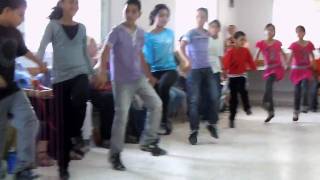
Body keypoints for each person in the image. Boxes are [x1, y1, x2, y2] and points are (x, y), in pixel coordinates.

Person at [95, 0, 167, 171]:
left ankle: (148, 142)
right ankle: (115, 154)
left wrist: (148, 75)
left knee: (156, 104)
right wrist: (103, 72)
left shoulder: (141, 33)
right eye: (127, 11)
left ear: (139, 14)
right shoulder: (116, 32)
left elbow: (140, 55)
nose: (130, 14)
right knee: (122, 117)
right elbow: (105, 51)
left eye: (134, 11)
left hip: (138, 78)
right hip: (121, 81)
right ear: (124, 12)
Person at [37, 0, 95, 178]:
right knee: (62, 125)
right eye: (71, 2)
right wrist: (38, 66)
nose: (74, 6)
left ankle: (76, 134)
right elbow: (41, 48)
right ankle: (64, 168)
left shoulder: (82, 27)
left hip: (80, 73)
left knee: (81, 96)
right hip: (60, 79)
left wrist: (93, 72)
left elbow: (85, 54)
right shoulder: (52, 26)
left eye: (76, 3)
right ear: (61, 4)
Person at [0, 0, 48, 179]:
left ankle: (23, 168)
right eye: (20, 14)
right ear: (6, 10)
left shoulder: (15, 33)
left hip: (12, 90)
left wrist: (39, 62)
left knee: (30, 120)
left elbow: (25, 51)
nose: (22, 19)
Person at [179, 8, 220, 145]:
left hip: (207, 69)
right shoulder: (190, 33)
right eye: (198, 16)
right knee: (194, 101)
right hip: (194, 70)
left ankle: (211, 124)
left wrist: (214, 34)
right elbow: (181, 47)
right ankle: (194, 130)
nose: (200, 19)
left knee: (215, 96)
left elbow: (213, 36)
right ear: (195, 18)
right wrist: (187, 60)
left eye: (203, 17)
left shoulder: (206, 33)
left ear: (206, 19)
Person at [143, 4, 178, 135]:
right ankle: (158, 124)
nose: (164, 18)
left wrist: (184, 61)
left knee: (164, 86)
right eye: (161, 15)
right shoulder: (147, 36)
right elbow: (146, 59)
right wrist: (149, 77)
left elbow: (173, 52)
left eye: (167, 16)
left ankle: (164, 121)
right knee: (156, 98)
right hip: (155, 71)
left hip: (170, 69)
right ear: (154, 16)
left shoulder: (170, 33)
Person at [223, 31, 256, 128]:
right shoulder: (230, 52)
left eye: (244, 40)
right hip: (232, 77)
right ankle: (232, 118)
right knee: (234, 99)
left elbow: (250, 61)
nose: (243, 42)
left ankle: (247, 108)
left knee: (243, 91)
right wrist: (224, 71)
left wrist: (253, 67)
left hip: (242, 76)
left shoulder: (245, 51)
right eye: (241, 40)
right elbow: (225, 63)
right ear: (235, 40)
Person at [255, 23, 287, 123]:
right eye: (268, 29)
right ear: (265, 31)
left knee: (269, 86)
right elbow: (256, 55)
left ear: (274, 32)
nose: (270, 31)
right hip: (268, 69)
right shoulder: (261, 43)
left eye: (272, 30)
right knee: (269, 90)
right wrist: (254, 64)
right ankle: (271, 111)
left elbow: (283, 53)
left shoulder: (277, 43)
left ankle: (265, 103)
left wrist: (285, 64)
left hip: (277, 68)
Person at [288, 25, 315, 121]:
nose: (299, 33)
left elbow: (312, 56)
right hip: (296, 70)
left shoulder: (309, 44)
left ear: (304, 33)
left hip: (306, 69)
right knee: (297, 91)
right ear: (296, 34)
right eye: (297, 32)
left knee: (305, 85)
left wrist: (313, 65)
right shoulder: (294, 45)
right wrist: (287, 65)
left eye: (301, 31)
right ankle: (296, 112)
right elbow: (291, 57)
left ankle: (304, 105)